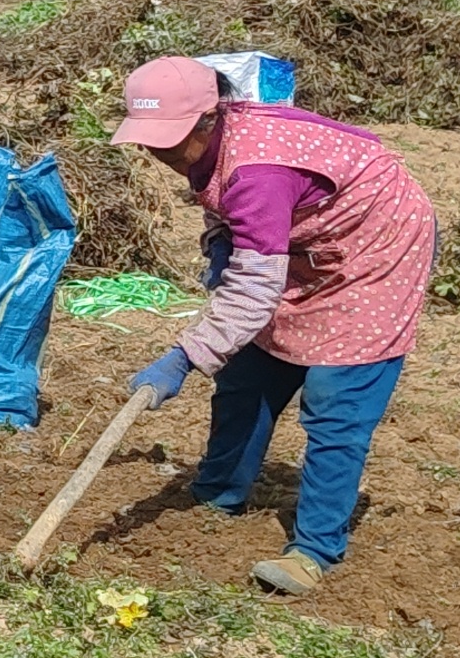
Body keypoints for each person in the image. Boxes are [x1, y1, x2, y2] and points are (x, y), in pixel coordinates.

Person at [110, 55, 438, 599]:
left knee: (337, 402)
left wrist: (184, 356)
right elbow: (226, 211)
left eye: (167, 137)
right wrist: (220, 248)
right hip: (307, 245)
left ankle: (314, 551)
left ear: (209, 118)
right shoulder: (215, 147)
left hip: (376, 249)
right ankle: (217, 495)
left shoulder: (259, 168)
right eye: (148, 137)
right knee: (248, 376)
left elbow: (255, 286)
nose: (156, 150)